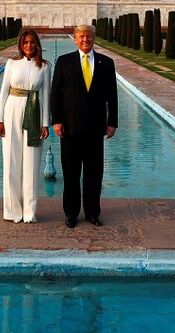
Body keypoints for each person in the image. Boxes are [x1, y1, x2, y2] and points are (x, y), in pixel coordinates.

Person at [50, 24, 118, 228]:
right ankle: (71, 213)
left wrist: (112, 122)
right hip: (70, 127)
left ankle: (92, 213)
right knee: (70, 173)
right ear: (75, 39)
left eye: (88, 36)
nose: (85, 40)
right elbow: (55, 94)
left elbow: (112, 96)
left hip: (95, 127)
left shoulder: (106, 62)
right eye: (81, 36)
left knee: (94, 173)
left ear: (94, 38)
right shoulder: (64, 61)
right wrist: (57, 120)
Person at [0, 29, 51, 223]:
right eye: (25, 42)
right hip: (12, 110)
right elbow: (3, 92)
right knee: (11, 162)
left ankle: (29, 212)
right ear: (21, 45)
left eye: (32, 42)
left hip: (34, 112)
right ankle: (12, 211)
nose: (29, 46)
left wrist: (46, 123)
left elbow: (46, 96)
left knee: (32, 164)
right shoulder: (12, 64)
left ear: (37, 45)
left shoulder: (44, 66)